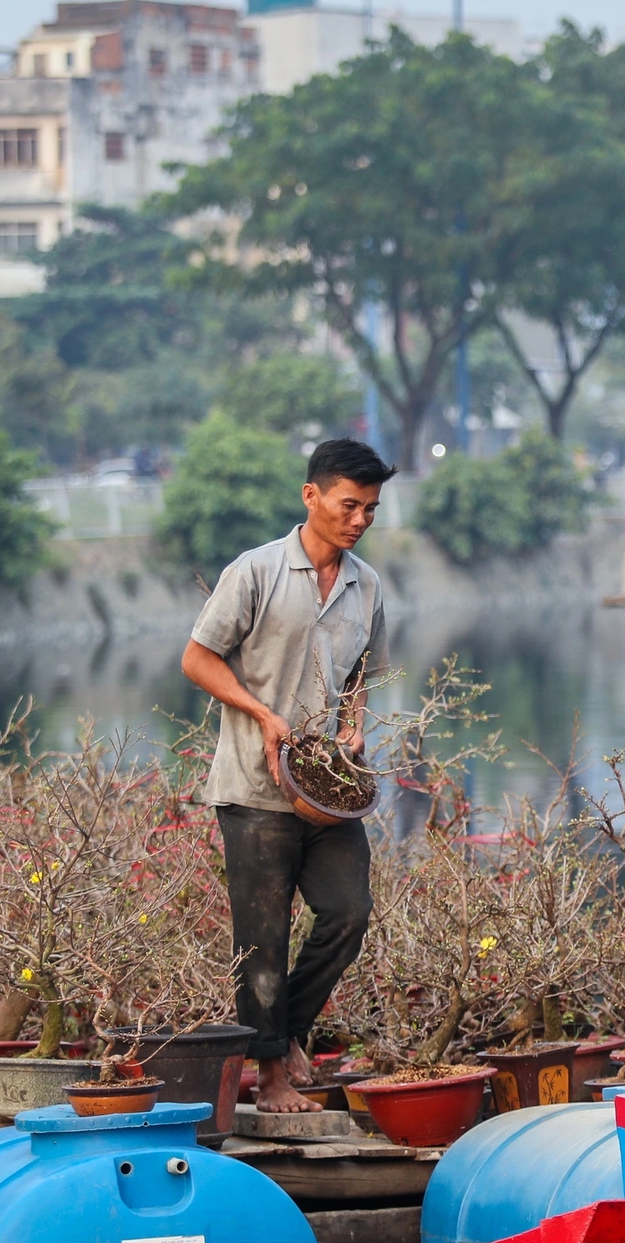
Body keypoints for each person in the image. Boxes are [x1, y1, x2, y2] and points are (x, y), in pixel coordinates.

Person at [181, 437, 396, 1113]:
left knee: (349, 913)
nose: (360, 519)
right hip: (252, 788)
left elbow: (363, 673)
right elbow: (197, 659)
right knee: (262, 938)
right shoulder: (255, 572)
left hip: (325, 787)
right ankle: (269, 1077)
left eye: (371, 508)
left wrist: (354, 724)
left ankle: (288, 1033)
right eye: (349, 504)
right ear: (311, 497)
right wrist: (263, 715)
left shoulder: (369, 586)